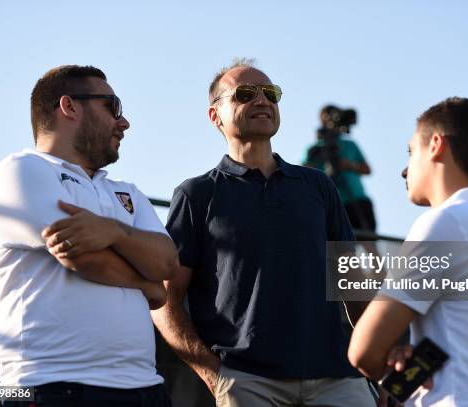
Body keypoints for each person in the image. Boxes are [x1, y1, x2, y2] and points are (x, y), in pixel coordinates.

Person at [152, 60, 376, 406]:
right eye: (245, 94)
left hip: (338, 377)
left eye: (270, 93)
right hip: (247, 382)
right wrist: (212, 372)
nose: (262, 100)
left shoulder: (318, 186)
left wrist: (377, 368)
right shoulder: (197, 195)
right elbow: (164, 297)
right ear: (216, 116)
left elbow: (352, 282)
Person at [0, 65, 179, 406]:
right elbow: (80, 255)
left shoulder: (127, 192)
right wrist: (146, 285)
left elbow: (166, 263)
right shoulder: (22, 169)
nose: (124, 122)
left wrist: (113, 231)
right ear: (69, 106)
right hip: (52, 386)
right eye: (112, 106)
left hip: (146, 389)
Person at [347, 97, 468, 406]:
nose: (404, 169)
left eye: (412, 152)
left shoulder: (444, 225)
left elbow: (363, 351)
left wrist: (386, 368)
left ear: (436, 144)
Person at [303, 105, 377, 233]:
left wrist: (348, 165)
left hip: (358, 199)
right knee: (342, 249)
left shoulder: (349, 144)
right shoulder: (315, 149)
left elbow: (367, 169)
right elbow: (304, 172)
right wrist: (314, 159)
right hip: (334, 204)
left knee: (369, 244)